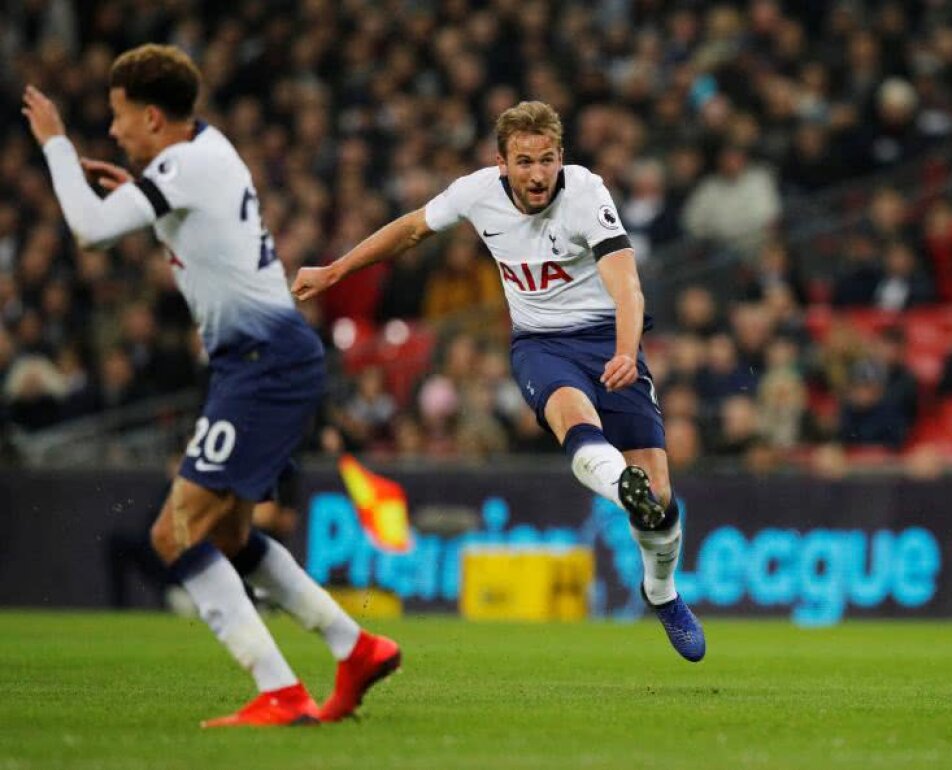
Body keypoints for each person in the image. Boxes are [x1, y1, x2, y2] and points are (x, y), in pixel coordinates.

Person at [23, 44, 398, 726]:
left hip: (261, 364)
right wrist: (143, 196)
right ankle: (355, 646)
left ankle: (280, 691)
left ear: (153, 117)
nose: (113, 130)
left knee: (174, 535)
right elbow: (189, 224)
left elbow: (89, 231)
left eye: (119, 115)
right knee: (225, 536)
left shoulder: (185, 165)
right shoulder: (205, 152)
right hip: (263, 361)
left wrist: (54, 145)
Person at [292, 100, 705, 662]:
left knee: (659, 495)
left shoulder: (586, 193)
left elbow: (627, 286)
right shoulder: (476, 192)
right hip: (540, 345)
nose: (537, 174)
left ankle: (661, 592)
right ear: (502, 163)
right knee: (574, 418)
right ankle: (619, 487)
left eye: (547, 159)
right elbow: (410, 230)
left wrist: (626, 352)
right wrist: (335, 269)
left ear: (562, 157)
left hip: (608, 340)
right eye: (524, 161)